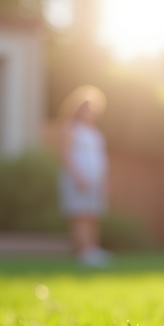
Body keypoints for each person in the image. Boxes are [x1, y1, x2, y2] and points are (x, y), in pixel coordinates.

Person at [52, 86, 110, 267]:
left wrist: (105, 181)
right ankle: (83, 252)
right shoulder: (70, 128)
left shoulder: (95, 132)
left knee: (92, 215)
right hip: (77, 179)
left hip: (95, 181)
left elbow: (101, 158)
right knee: (80, 215)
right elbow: (65, 154)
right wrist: (77, 176)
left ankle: (93, 249)